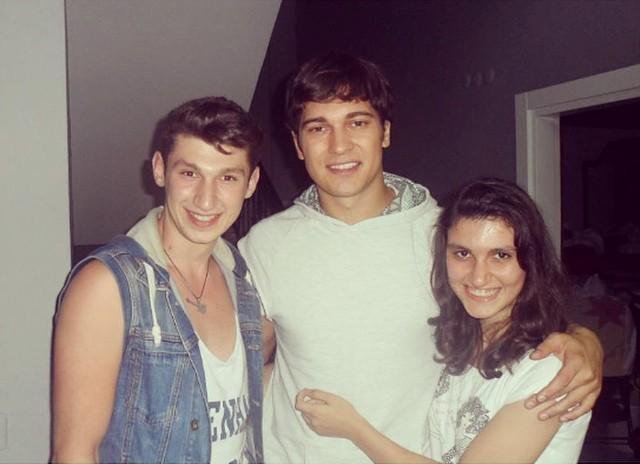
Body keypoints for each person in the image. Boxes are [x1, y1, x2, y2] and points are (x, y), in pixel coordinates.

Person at [238, 52, 602, 462]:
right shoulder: (265, 245)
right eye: (318, 128)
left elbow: (516, 311)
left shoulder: (446, 236)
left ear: (385, 132)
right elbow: (239, 362)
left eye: (357, 123)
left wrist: (582, 340)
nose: (339, 145)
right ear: (297, 144)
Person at [296, 178, 591, 463]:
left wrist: (354, 430)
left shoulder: (548, 371)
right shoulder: (458, 343)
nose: (478, 276)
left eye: (500, 255)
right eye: (463, 253)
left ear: (532, 262)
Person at [52, 97, 264, 463]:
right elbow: (74, 451)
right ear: (160, 169)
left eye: (227, 177)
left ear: (251, 183)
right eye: (190, 174)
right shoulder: (107, 286)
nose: (206, 199)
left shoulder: (242, 279)